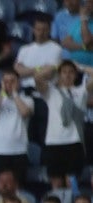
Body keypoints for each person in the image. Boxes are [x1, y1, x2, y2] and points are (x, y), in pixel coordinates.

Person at [36, 60, 93, 192]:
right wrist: (55, 66)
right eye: (64, 72)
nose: (67, 75)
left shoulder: (81, 90)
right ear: (59, 74)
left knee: (71, 181)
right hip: (54, 142)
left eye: (71, 72)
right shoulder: (51, 91)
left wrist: (80, 67)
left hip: (74, 142)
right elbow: (38, 77)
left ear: (75, 75)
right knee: (56, 182)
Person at [0, 70, 34, 184]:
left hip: (18, 150)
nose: (9, 84)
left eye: (12, 81)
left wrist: (15, 94)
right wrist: (2, 95)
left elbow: (25, 112)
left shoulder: (27, 100)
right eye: (6, 81)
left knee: (19, 184)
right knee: (0, 185)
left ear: (18, 83)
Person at [15, 14, 63, 93]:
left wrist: (26, 70)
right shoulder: (24, 49)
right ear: (33, 30)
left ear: (50, 30)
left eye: (44, 30)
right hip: (24, 90)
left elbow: (49, 74)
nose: (41, 33)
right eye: (38, 29)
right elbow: (18, 72)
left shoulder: (56, 49)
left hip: (45, 91)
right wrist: (39, 68)